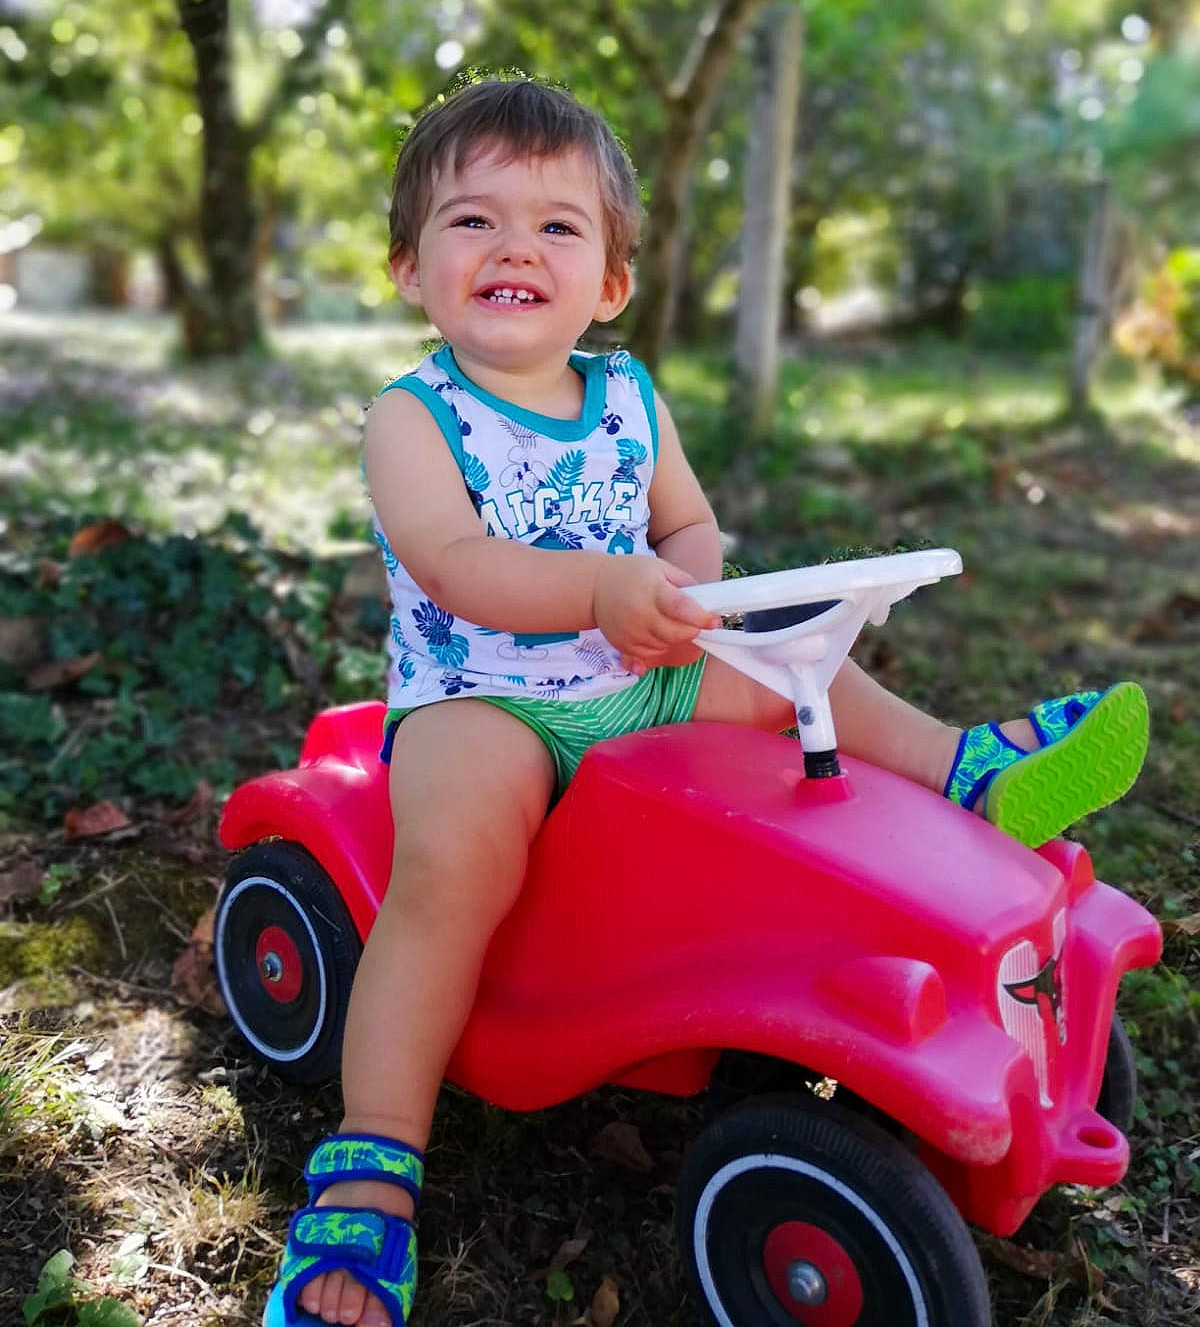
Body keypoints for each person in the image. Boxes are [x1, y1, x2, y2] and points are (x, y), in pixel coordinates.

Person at [265, 77, 1149, 1327]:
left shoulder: (626, 400)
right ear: (412, 269)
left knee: (801, 668)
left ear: (610, 283)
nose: (516, 245)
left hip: (634, 670)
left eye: (558, 227)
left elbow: (686, 519)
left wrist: (685, 587)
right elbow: (459, 565)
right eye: (474, 222)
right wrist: (601, 588)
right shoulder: (414, 419)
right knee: (450, 858)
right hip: (486, 695)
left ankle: (968, 770)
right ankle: (376, 1158)